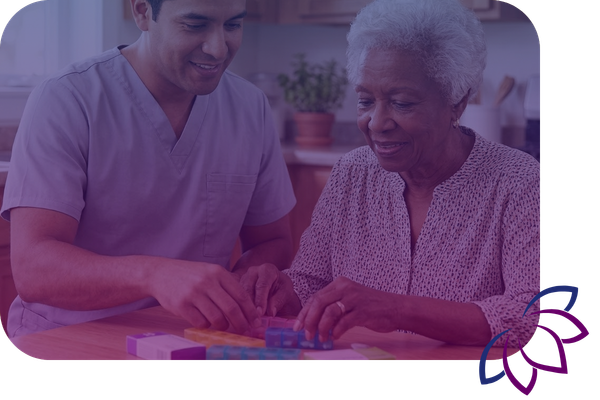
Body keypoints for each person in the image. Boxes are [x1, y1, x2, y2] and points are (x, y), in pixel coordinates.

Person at [241, 0, 541, 347]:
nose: (377, 123)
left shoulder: (520, 182)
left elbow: (532, 316)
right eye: (365, 101)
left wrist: (398, 310)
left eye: (402, 103)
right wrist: (279, 289)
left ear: (458, 101)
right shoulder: (351, 173)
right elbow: (311, 284)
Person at [1, 0, 296, 338]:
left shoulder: (250, 108)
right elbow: (33, 269)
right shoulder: (67, 100)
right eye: (195, 25)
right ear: (142, 11)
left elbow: (272, 241)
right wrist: (154, 275)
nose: (218, 48)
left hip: (189, 338)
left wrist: (252, 276)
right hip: (69, 338)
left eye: (233, 25)